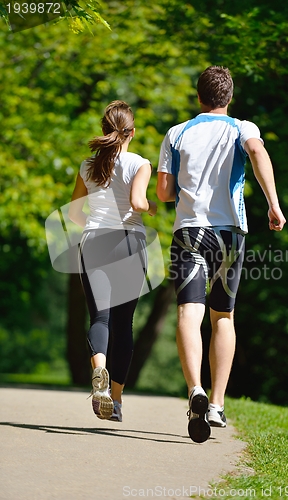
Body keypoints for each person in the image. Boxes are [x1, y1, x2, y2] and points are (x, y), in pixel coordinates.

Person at [157, 66, 286, 443]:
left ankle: (194, 387)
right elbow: (258, 152)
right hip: (229, 235)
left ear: (198, 97)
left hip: (188, 232)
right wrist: (273, 205)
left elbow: (165, 193)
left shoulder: (176, 133)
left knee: (188, 313)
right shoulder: (243, 128)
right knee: (223, 317)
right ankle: (215, 404)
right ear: (229, 98)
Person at [69, 100, 157, 423]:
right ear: (131, 132)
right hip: (129, 244)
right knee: (124, 326)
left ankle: (100, 375)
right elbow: (137, 201)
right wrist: (150, 208)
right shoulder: (140, 163)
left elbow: (75, 214)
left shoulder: (87, 166)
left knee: (100, 318)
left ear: (104, 131)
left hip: (94, 242)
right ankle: (116, 401)